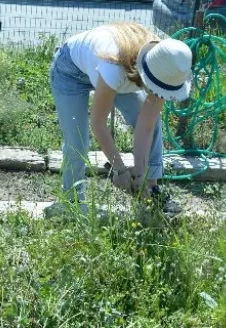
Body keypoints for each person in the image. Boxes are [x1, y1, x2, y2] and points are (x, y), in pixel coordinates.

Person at [47, 22, 193, 215]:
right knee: (78, 141)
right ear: (146, 75)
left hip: (124, 74)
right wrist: (120, 170)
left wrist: (140, 175)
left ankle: (151, 189)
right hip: (71, 71)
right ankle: (71, 202)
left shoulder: (165, 66)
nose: (160, 94)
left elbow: (146, 127)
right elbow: (98, 123)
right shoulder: (114, 67)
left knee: (155, 125)